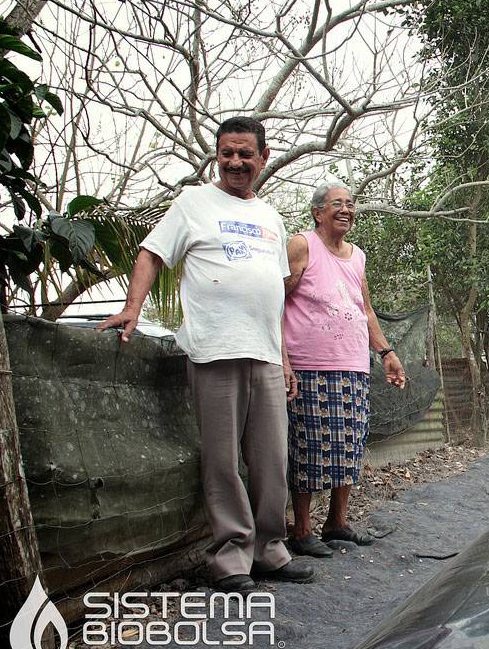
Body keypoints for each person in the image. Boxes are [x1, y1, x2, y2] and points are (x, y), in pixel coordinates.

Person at [98, 117, 314, 591]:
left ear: (263, 156)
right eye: (226, 153)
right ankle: (231, 559)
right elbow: (151, 254)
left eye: (244, 154)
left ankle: (271, 551)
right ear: (218, 155)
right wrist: (132, 309)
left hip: (265, 356)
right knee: (221, 462)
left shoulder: (272, 218)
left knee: (273, 460)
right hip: (214, 350)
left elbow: (274, 295)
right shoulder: (193, 203)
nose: (235, 162)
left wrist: (285, 357)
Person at [282, 183, 406, 558]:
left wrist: (386, 351)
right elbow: (275, 297)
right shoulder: (301, 245)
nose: (346, 210)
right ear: (318, 212)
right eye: (337, 204)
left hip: (353, 366)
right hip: (309, 366)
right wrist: (282, 358)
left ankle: (336, 522)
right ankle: (302, 530)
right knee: (309, 448)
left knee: (349, 446)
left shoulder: (357, 257)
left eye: (351, 205)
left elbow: (365, 309)